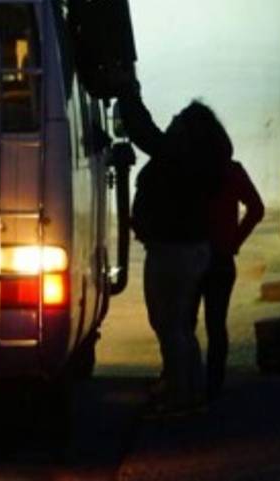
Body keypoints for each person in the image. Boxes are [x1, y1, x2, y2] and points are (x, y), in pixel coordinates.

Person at [118, 89, 232, 416]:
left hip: (172, 251)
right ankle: (190, 390)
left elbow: (143, 131)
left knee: (169, 324)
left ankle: (181, 396)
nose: (172, 122)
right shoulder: (199, 160)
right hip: (191, 249)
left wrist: (129, 92)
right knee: (180, 325)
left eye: (178, 120)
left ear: (187, 131)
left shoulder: (177, 156)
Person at [194, 158, 264, 401]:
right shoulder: (230, 170)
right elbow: (256, 209)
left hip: (188, 255)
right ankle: (214, 382)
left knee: (183, 324)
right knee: (216, 323)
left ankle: (187, 379)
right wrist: (233, 242)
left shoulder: (185, 167)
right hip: (220, 257)